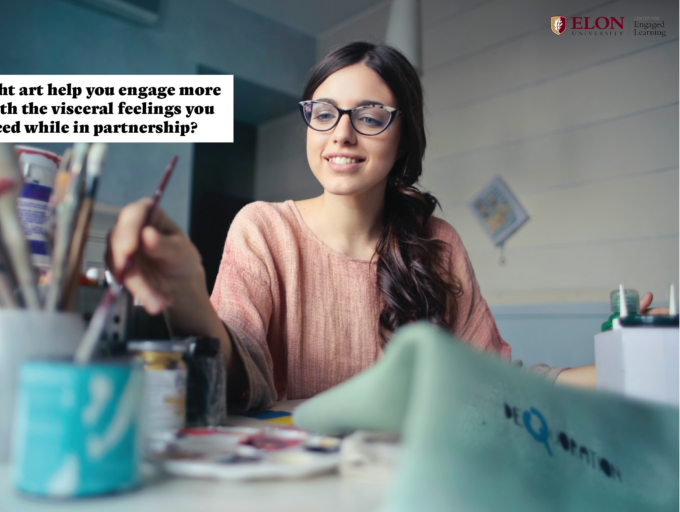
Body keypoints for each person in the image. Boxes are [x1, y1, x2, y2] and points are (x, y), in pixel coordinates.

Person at [107, 42, 665, 410]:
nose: (342, 135)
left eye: (370, 116)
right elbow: (237, 376)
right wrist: (186, 293)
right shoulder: (263, 230)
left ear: (403, 139)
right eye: (323, 113)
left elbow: (497, 383)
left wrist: (634, 356)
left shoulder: (437, 244)